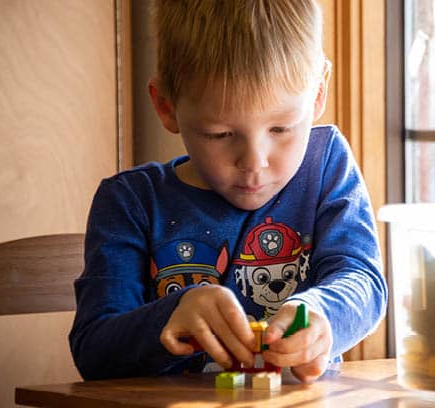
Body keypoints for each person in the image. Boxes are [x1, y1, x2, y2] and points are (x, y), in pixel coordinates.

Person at [69, 0, 387, 383]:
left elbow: (362, 280)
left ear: (318, 93)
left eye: (281, 128)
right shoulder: (130, 201)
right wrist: (171, 315)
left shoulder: (325, 164)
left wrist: (321, 313)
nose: (254, 162)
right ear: (166, 106)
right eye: (221, 134)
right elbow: (94, 350)